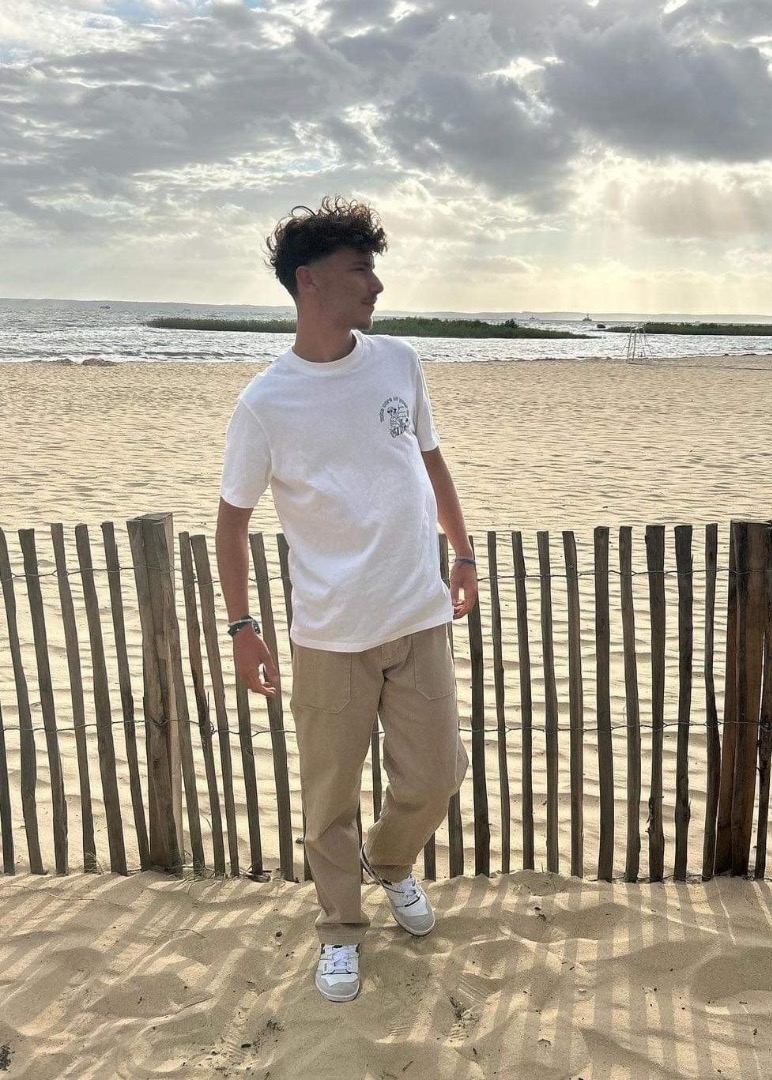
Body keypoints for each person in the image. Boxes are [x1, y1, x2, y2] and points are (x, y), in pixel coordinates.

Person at [216, 196, 477, 1002]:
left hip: (418, 614)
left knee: (436, 775)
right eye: (361, 268)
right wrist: (243, 626)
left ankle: (389, 861)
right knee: (329, 798)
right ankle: (339, 928)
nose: (377, 284)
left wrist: (462, 551)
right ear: (310, 280)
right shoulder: (266, 403)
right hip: (329, 633)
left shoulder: (398, 361)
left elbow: (430, 462)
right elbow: (232, 522)